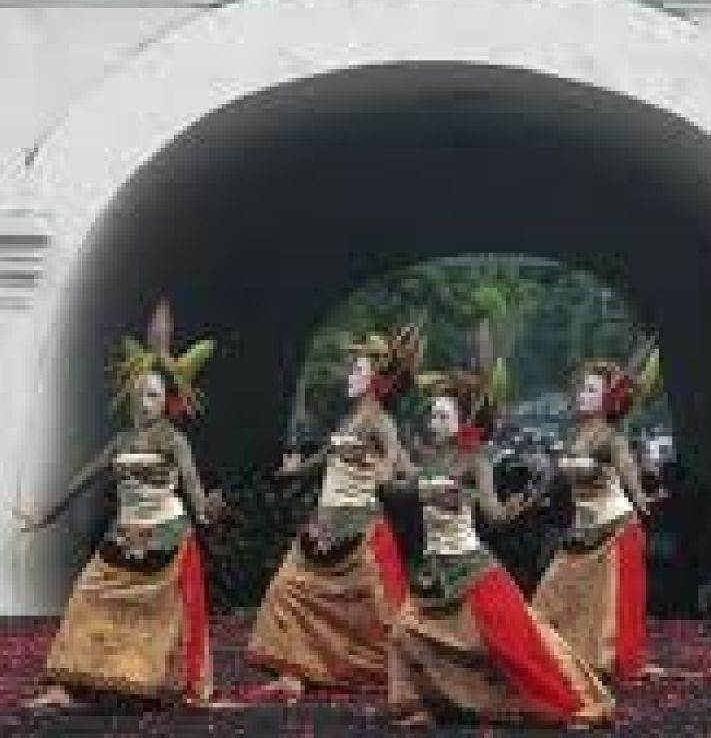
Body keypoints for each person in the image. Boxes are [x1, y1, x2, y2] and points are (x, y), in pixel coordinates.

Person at [385, 353, 614, 728]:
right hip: (434, 571)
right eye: (433, 415)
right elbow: (399, 492)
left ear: (465, 421)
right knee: (405, 632)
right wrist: (375, 473)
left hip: (472, 567)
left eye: (443, 416)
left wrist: (513, 507)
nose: (434, 422)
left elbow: (492, 516)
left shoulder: (477, 462)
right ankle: (421, 705)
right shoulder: (431, 462)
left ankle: (574, 700)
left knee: (513, 644)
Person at [17, 300, 225, 707]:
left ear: (167, 400)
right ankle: (64, 684)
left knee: (162, 616)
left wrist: (208, 510)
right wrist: (45, 515)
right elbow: (82, 479)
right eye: (140, 393)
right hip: (124, 534)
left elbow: (195, 494)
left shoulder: (173, 440)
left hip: (167, 536)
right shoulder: (121, 442)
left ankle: (149, 681)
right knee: (86, 594)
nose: (145, 401)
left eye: (154, 395)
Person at [245, 328, 421, 702]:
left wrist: (381, 474)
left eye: (357, 370)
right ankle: (292, 672)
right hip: (323, 527)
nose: (349, 376)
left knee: (375, 616)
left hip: (360, 532)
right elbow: (322, 460)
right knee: (286, 590)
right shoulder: (350, 422)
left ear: (378, 380)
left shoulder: (380, 423)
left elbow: (395, 471)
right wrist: (292, 471)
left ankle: (405, 673)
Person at [530, 342, 661, 681]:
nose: (581, 395)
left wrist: (642, 498)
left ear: (608, 398)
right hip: (580, 532)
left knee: (604, 613)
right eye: (581, 388)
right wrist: (528, 501)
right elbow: (553, 479)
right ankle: (557, 656)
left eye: (590, 390)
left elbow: (628, 470)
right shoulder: (575, 436)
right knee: (551, 595)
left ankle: (596, 664)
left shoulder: (611, 439)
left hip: (614, 530)